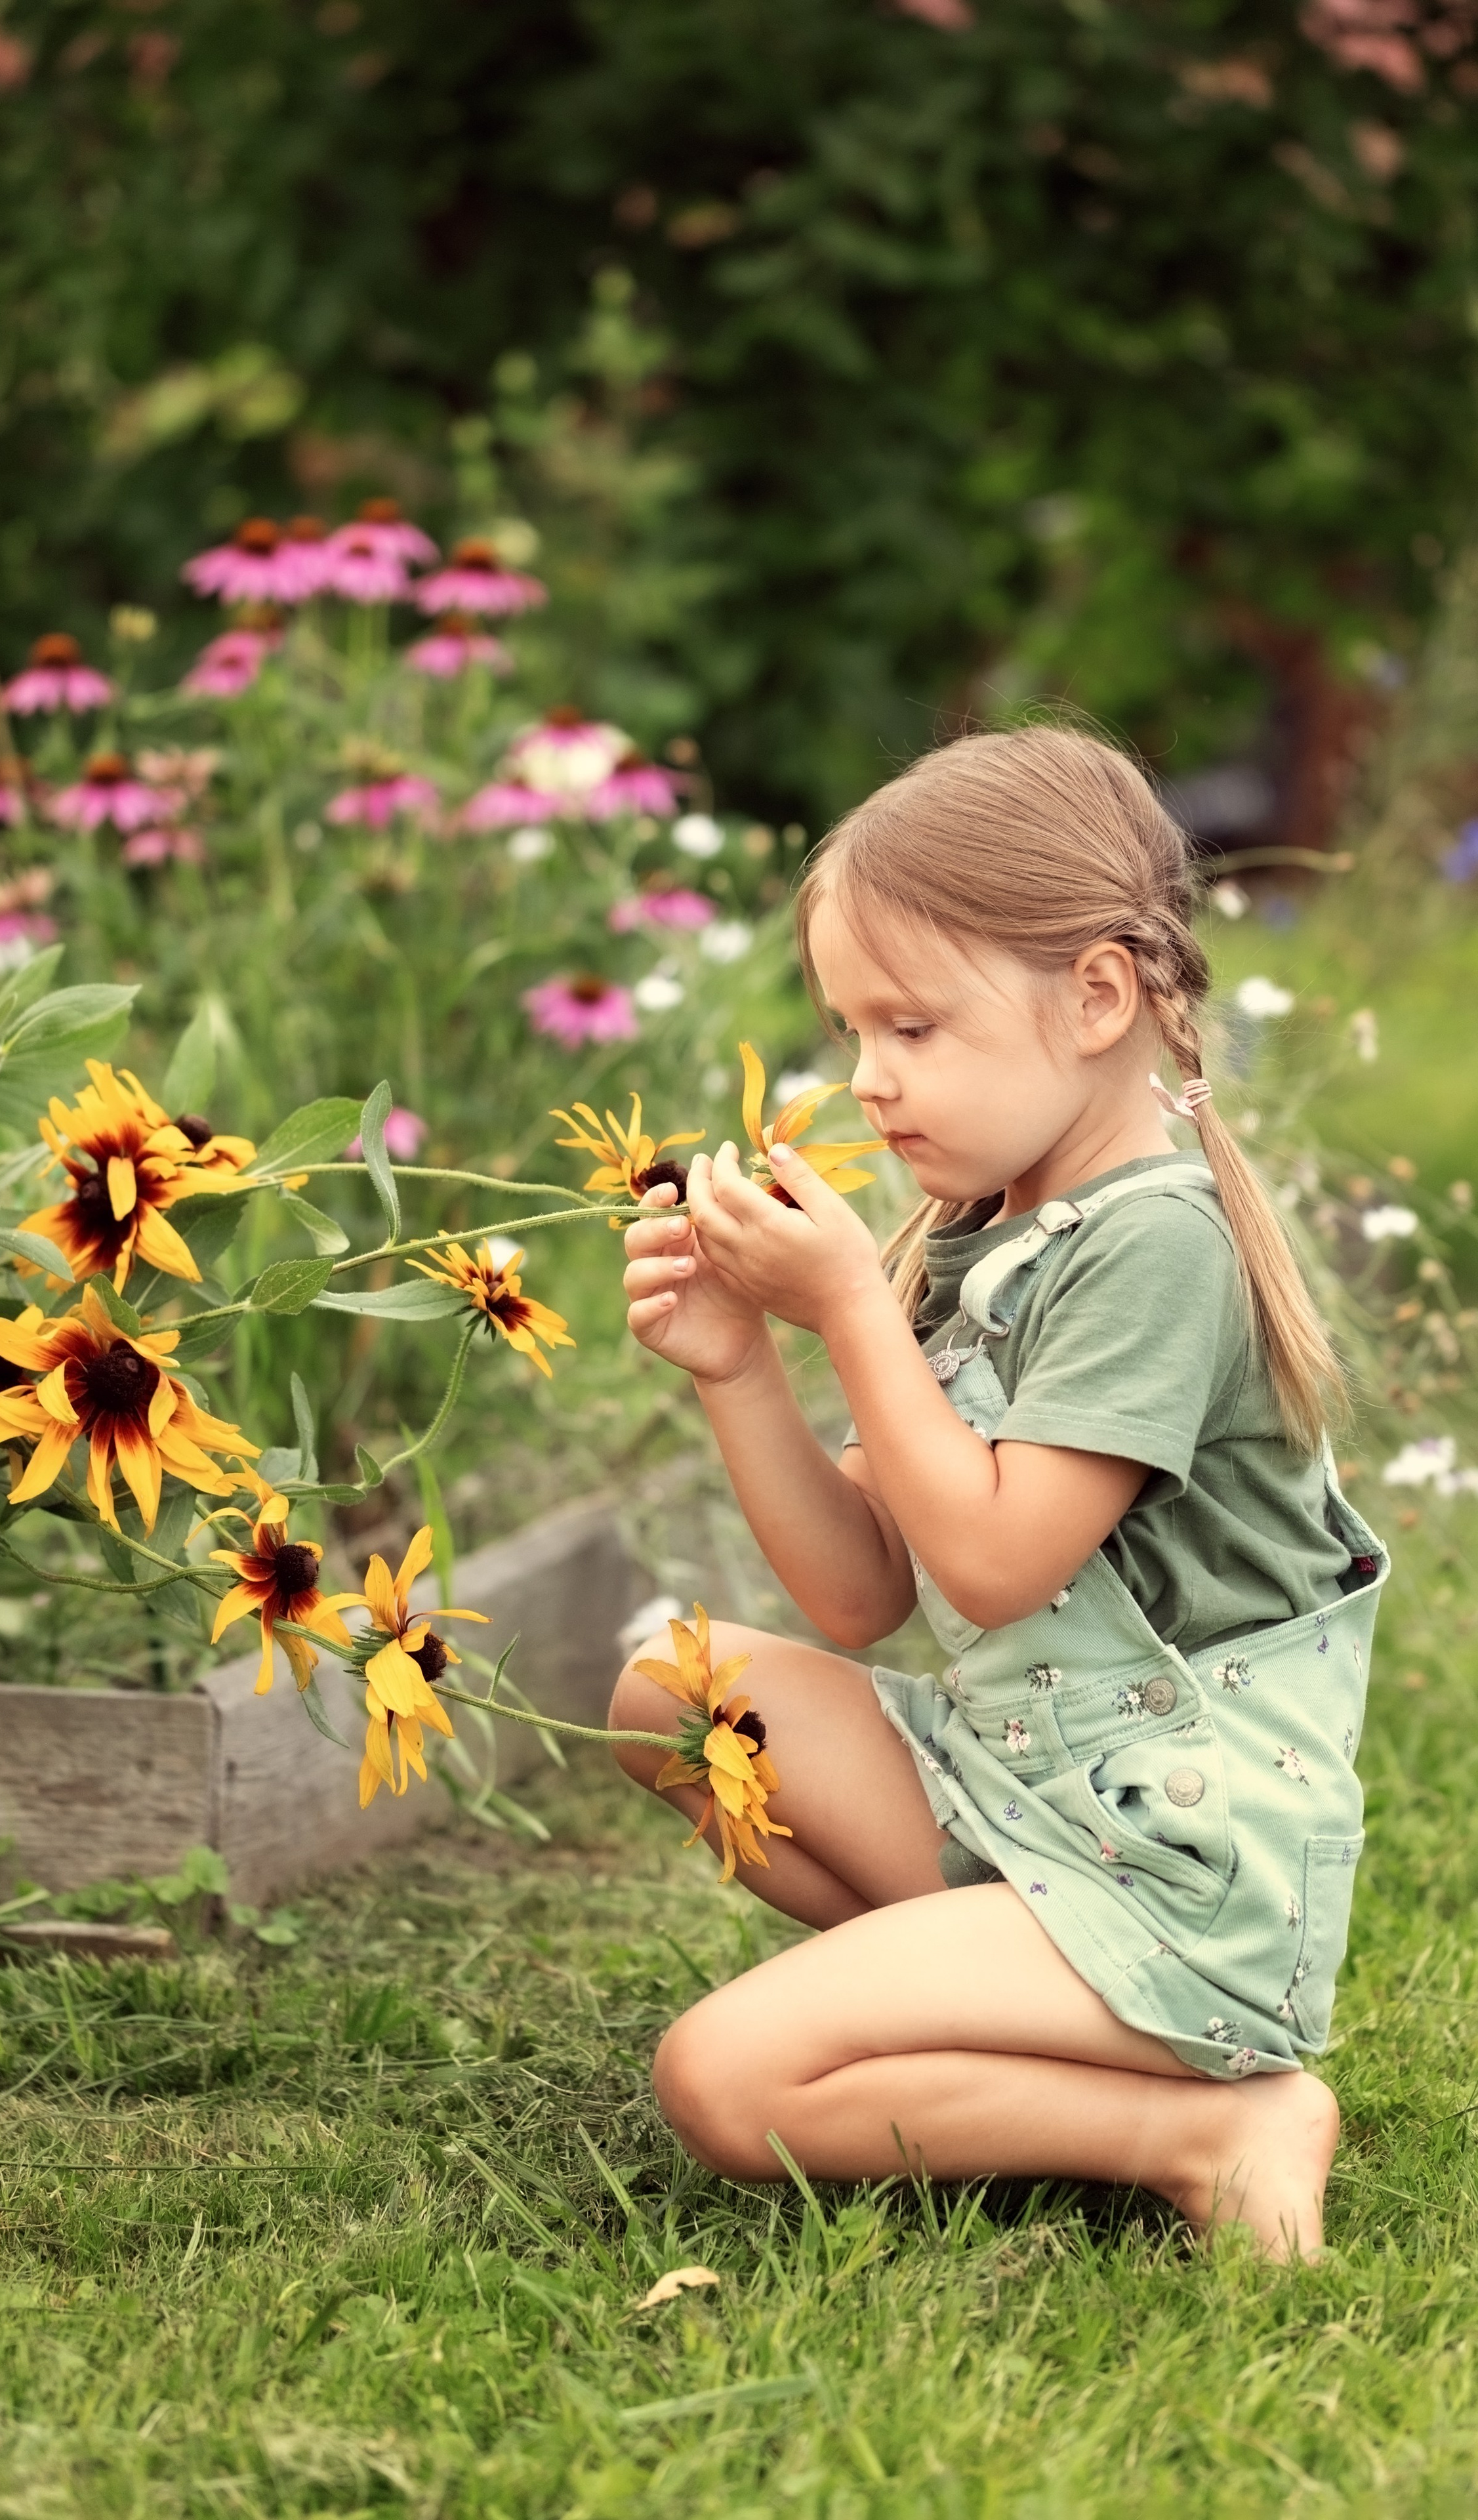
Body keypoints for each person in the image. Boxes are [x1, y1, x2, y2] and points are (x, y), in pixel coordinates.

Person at [611, 726, 1385, 2261]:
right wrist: (735, 1367)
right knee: (669, 1692)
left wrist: (838, 1306)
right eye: (847, 1028)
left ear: (1094, 997)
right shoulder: (980, 1231)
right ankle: (1003, 2049)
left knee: (722, 2076)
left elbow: (990, 1566)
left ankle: (1210, 2124)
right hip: (1033, 1802)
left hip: (1181, 1874)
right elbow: (857, 1592)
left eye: (911, 1027)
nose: (866, 1080)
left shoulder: (1151, 1244)